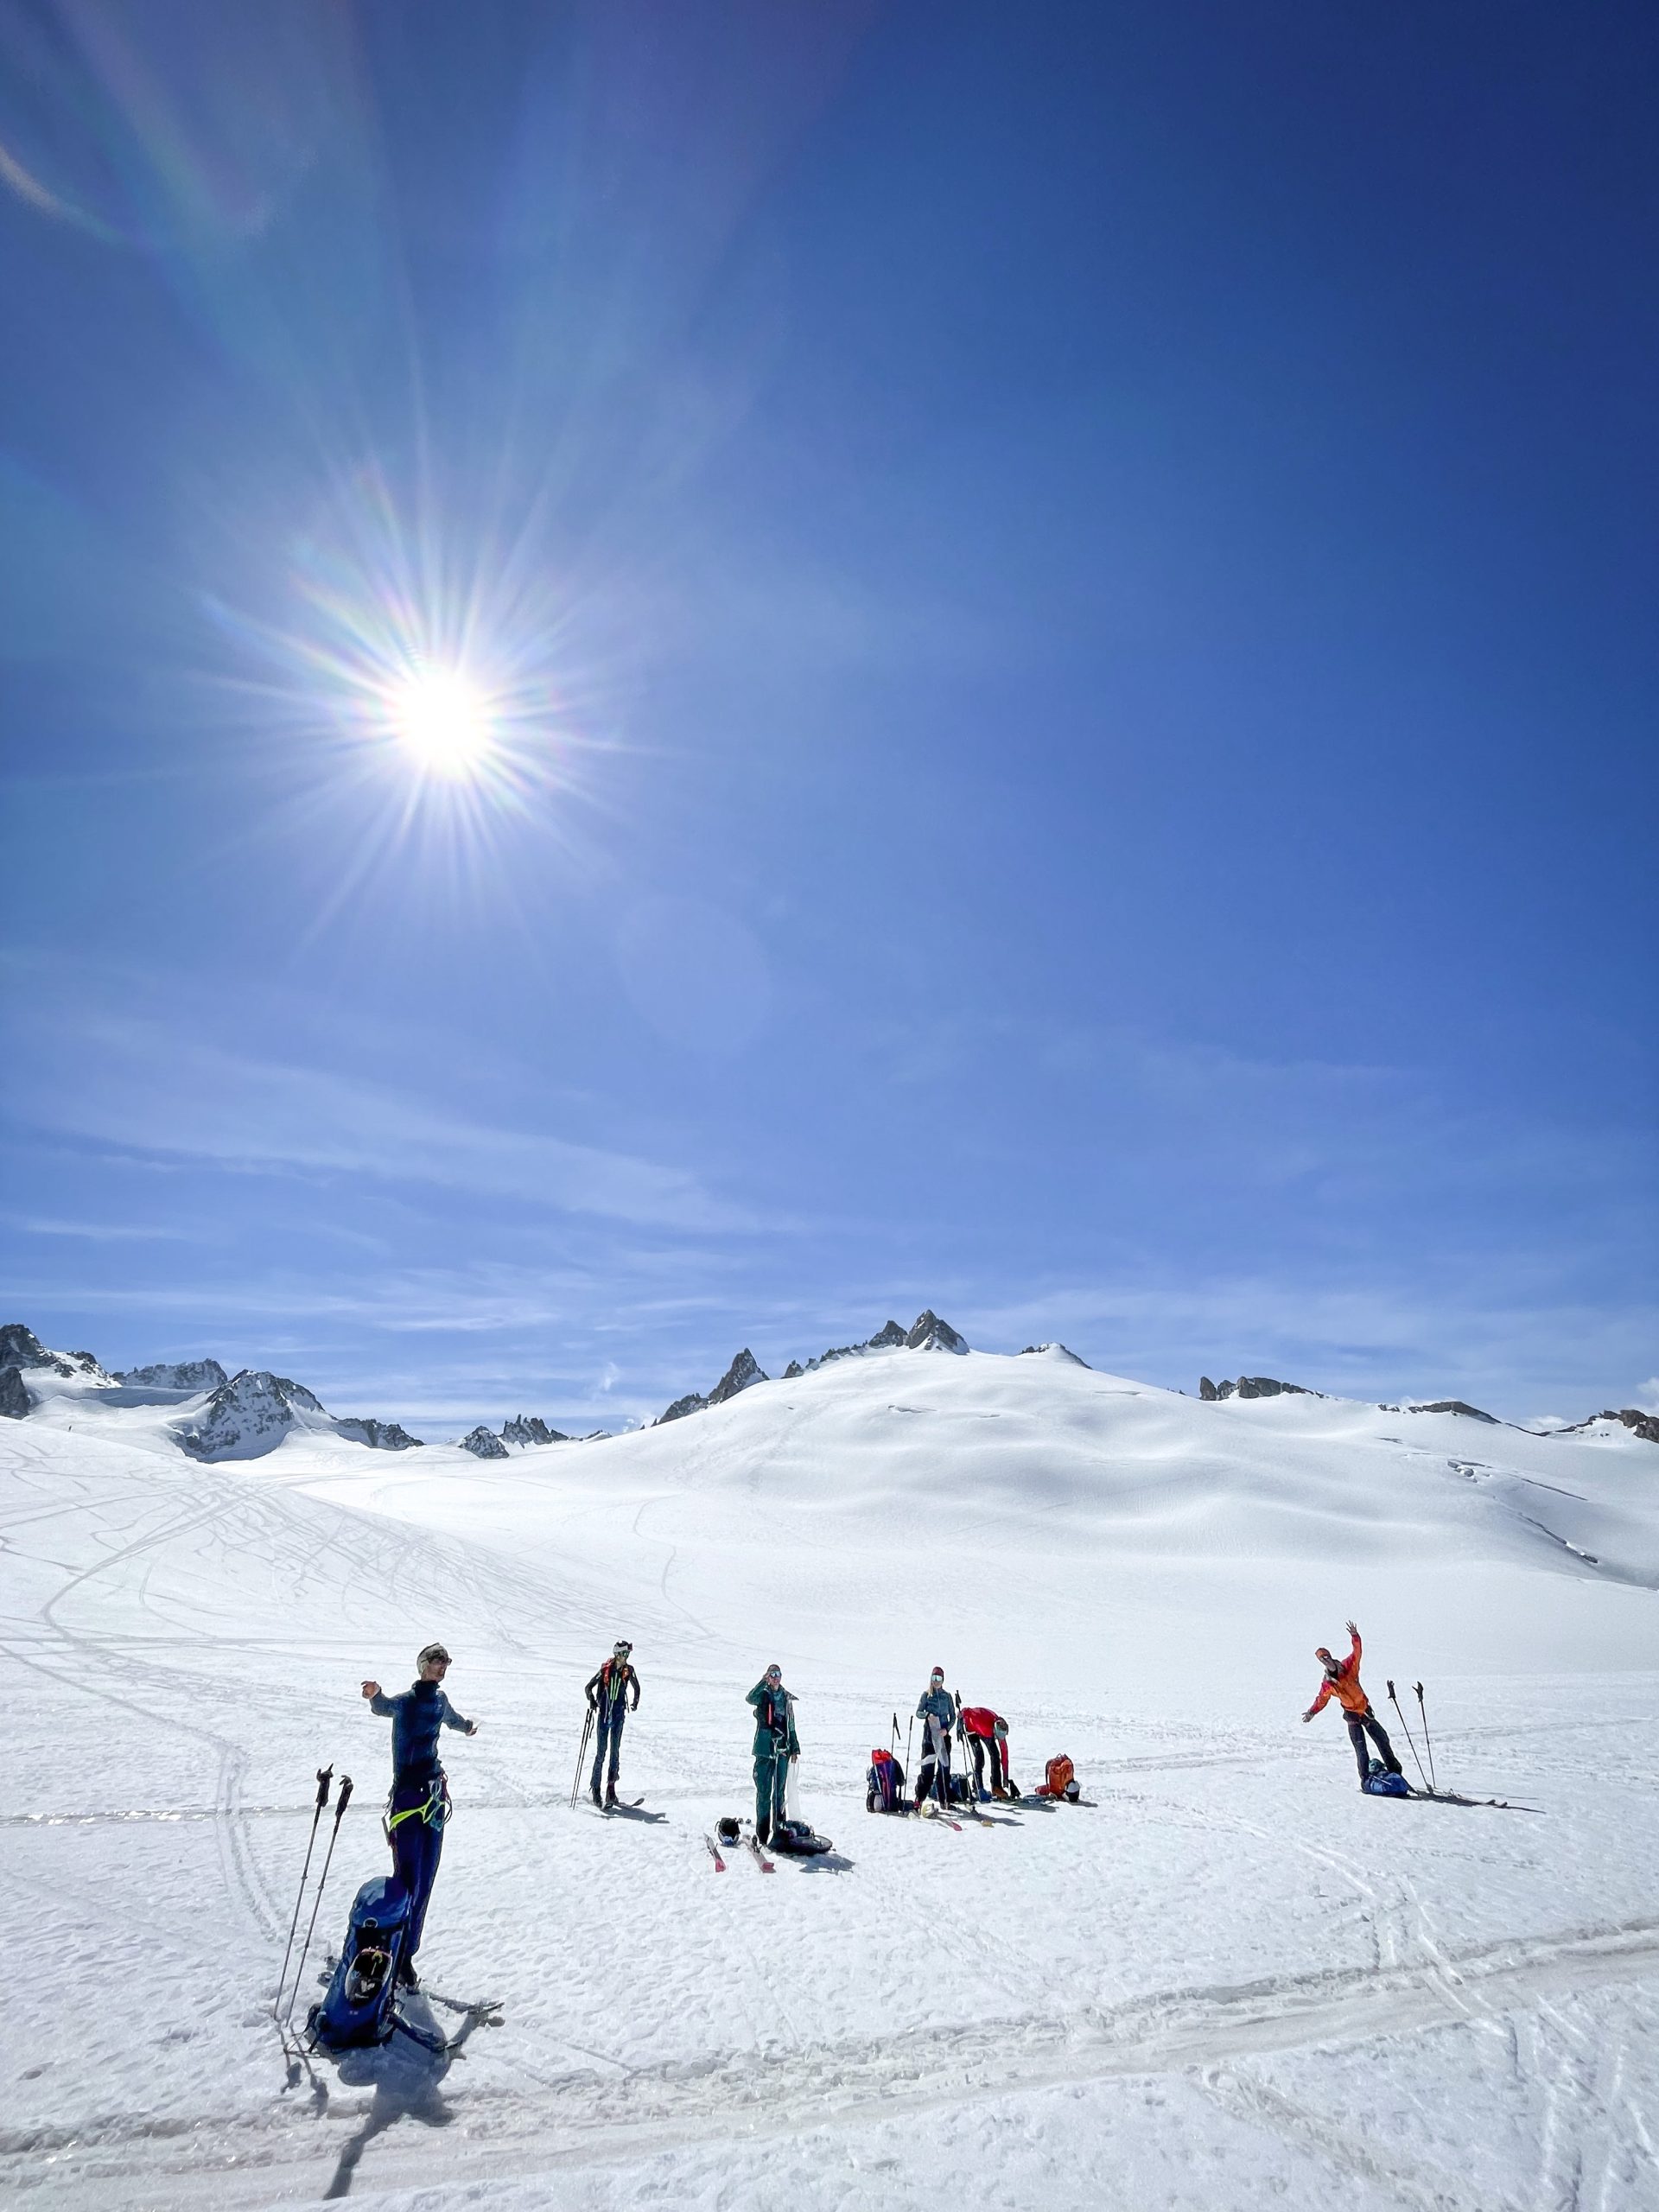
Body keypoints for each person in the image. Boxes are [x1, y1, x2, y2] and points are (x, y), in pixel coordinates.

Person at [360, 1642, 478, 1987]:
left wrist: (468, 1726)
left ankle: (407, 1955)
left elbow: (453, 1720)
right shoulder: (407, 1702)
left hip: (434, 1797)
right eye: (438, 1661)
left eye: (446, 1662)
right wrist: (374, 1694)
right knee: (408, 1878)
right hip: (408, 1799)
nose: (443, 1667)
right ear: (423, 1665)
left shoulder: (439, 1701)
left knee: (426, 1879)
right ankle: (391, 1951)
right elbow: (383, 1707)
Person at [1302, 1620, 1403, 1789]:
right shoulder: (1329, 1684)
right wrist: (1312, 1712)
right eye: (1322, 1660)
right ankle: (1365, 1780)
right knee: (1361, 1749)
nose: (1325, 1661)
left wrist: (1355, 1636)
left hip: (1365, 1711)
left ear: (1330, 1656)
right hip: (1351, 1715)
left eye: (1326, 1657)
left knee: (1382, 1739)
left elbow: (1357, 1652)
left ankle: (1396, 1773)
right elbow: (1322, 1699)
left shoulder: (1349, 1666)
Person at [584, 1639, 641, 1808]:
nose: (626, 1657)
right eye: (624, 1654)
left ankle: (611, 1789)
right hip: (604, 1715)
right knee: (601, 1753)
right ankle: (595, 1789)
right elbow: (588, 1687)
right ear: (617, 1654)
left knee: (615, 1753)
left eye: (627, 1654)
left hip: (618, 1715)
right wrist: (592, 1701)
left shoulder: (629, 1670)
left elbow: (637, 1687)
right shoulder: (605, 1669)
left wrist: (635, 1701)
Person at [747, 1662, 798, 1845]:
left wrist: (795, 1747)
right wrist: (762, 1682)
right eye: (772, 1674)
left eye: (778, 1674)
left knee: (779, 1793)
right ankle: (762, 1833)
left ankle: (779, 1830)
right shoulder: (762, 1695)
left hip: (783, 1750)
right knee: (764, 1792)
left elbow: (790, 1723)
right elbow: (749, 1698)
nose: (776, 1677)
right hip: (765, 1750)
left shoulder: (786, 1697)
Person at [914, 1666, 956, 1810]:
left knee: (944, 1770)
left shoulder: (947, 1696)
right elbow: (918, 1712)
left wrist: (947, 1729)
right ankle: (919, 1799)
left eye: (939, 1678)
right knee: (927, 1770)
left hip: (943, 1737)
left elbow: (953, 1717)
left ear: (943, 1680)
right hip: (929, 1738)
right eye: (934, 1678)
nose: (936, 1681)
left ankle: (944, 1800)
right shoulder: (926, 1695)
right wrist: (927, 1715)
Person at [959, 1704, 1013, 1800]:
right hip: (972, 1729)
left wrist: (1005, 1776)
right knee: (980, 1757)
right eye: (996, 1737)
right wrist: (960, 1718)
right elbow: (966, 1711)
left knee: (995, 1755)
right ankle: (978, 1787)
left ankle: (996, 1787)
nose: (998, 1740)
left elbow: (1004, 1756)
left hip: (986, 1728)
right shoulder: (984, 1725)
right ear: (994, 1732)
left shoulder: (1000, 1727)